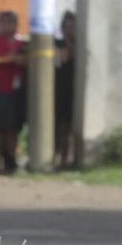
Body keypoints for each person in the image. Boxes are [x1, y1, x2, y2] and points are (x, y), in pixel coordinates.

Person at [0, 10, 26, 174]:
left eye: (11, 22)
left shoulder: (20, 42)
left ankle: (10, 158)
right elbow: (3, 58)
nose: (8, 26)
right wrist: (14, 58)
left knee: (12, 128)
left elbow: (23, 59)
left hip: (15, 90)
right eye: (5, 22)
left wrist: (17, 58)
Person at [55, 11, 77, 169]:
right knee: (62, 126)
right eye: (66, 27)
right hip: (61, 89)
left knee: (74, 126)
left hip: (77, 90)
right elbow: (60, 60)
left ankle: (74, 157)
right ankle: (62, 158)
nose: (69, 30)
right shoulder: (57, 45)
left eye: (73, 27)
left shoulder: (82, 44)